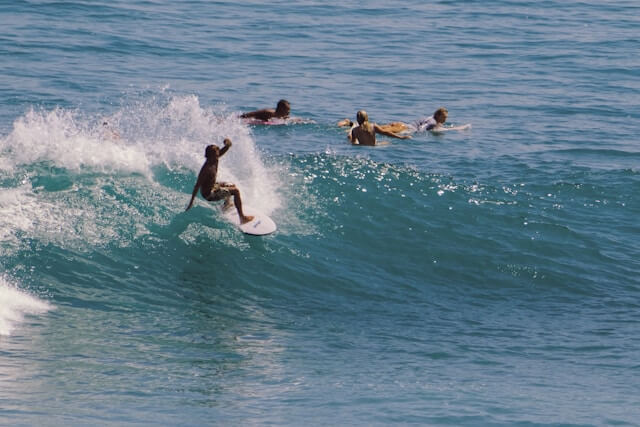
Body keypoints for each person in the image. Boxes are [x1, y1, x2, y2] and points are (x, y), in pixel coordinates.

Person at [185, 138, 254, 224]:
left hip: (214, 186)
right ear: (210, 156)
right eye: (216, 154)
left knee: (231, 184)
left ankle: (227, 205)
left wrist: (227, 143)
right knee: (235, 191)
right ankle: (242, 218)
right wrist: (191, 202)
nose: (218, 155)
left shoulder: (214, 159)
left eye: (218, 154)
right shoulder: (206, 169)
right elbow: (197, 186)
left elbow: (227, 147)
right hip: (209, 194)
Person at [338, 107, 470, 134]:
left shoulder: (430, 118)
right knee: (377, 130)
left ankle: (352, 124)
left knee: (377, 127)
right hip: (405, 128)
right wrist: (420, 134)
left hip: (401, 124)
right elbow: (424, 128)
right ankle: (352, 125)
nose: (446, 119)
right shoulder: (433, 122)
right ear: (440, 116)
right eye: (445, 117)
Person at [346, 110, 411, 146]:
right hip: (374, 147)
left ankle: (351, 126)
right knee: (387, 143)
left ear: (357, 119)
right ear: (367, 118)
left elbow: (353, 143)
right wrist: (401, 137)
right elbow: (385, 133)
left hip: (362, 146)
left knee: (349, 137)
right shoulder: (373, 126)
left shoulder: (354, 130)